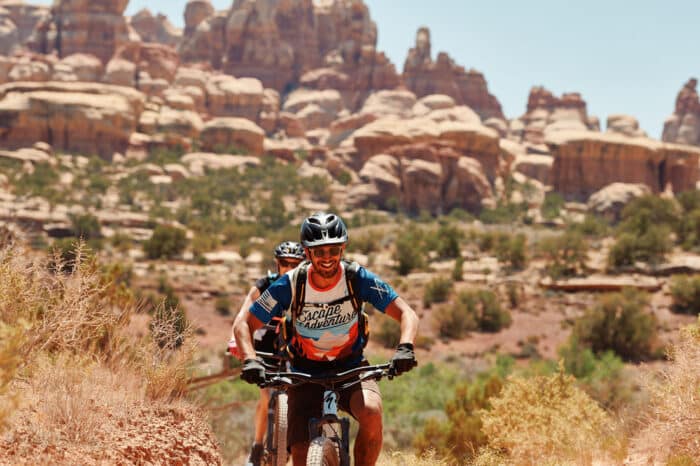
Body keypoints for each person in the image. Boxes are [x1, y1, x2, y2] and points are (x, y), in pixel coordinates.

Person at [234, 212, 419, 466]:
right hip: (304, 374)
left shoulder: (357, 278)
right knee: (300, 454)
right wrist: (250, 360)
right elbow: (244, 323)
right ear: (307, 253)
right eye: (319, 251)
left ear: (343, 248)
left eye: (334, 249)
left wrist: (405, 347)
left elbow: (406, 313)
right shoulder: (290, 283)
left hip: (351, 368)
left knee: (372, 412)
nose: (327, 258)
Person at [229, 240, 306, 466]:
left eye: (295, 264)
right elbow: (243, 315)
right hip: (265, 345)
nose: (289, 268)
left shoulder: (307, 287)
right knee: (265, 394)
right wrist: (237, 342)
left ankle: (289, 441)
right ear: (277, 263)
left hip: (294, 346)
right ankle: (257, 444)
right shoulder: (264, 285)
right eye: (284, 263)